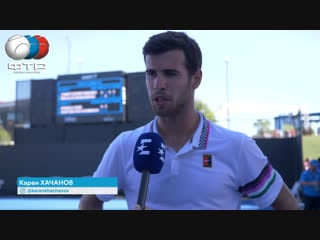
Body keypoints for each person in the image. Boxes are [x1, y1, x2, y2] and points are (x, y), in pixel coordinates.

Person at [78, 31, 300, 210]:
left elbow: (287, 205)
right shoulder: (125, 145)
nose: (158, 84)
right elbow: (90, 199)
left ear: (196, 79)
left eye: (170, 73)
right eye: (151, 73)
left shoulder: (237, 147)